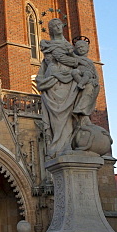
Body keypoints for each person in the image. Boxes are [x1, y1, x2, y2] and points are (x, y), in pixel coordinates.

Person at [35, 18, 79, 157]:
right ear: (51, 30)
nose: (58, 27)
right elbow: (43, 68)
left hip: (67, 83)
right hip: (52, 83)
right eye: (54, 26)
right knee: (57, 118)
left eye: (59, 24)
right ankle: (57, 145)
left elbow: (77, 62)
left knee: (67, 116)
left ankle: (67, 144)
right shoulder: (47, 45)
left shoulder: (70, 47)